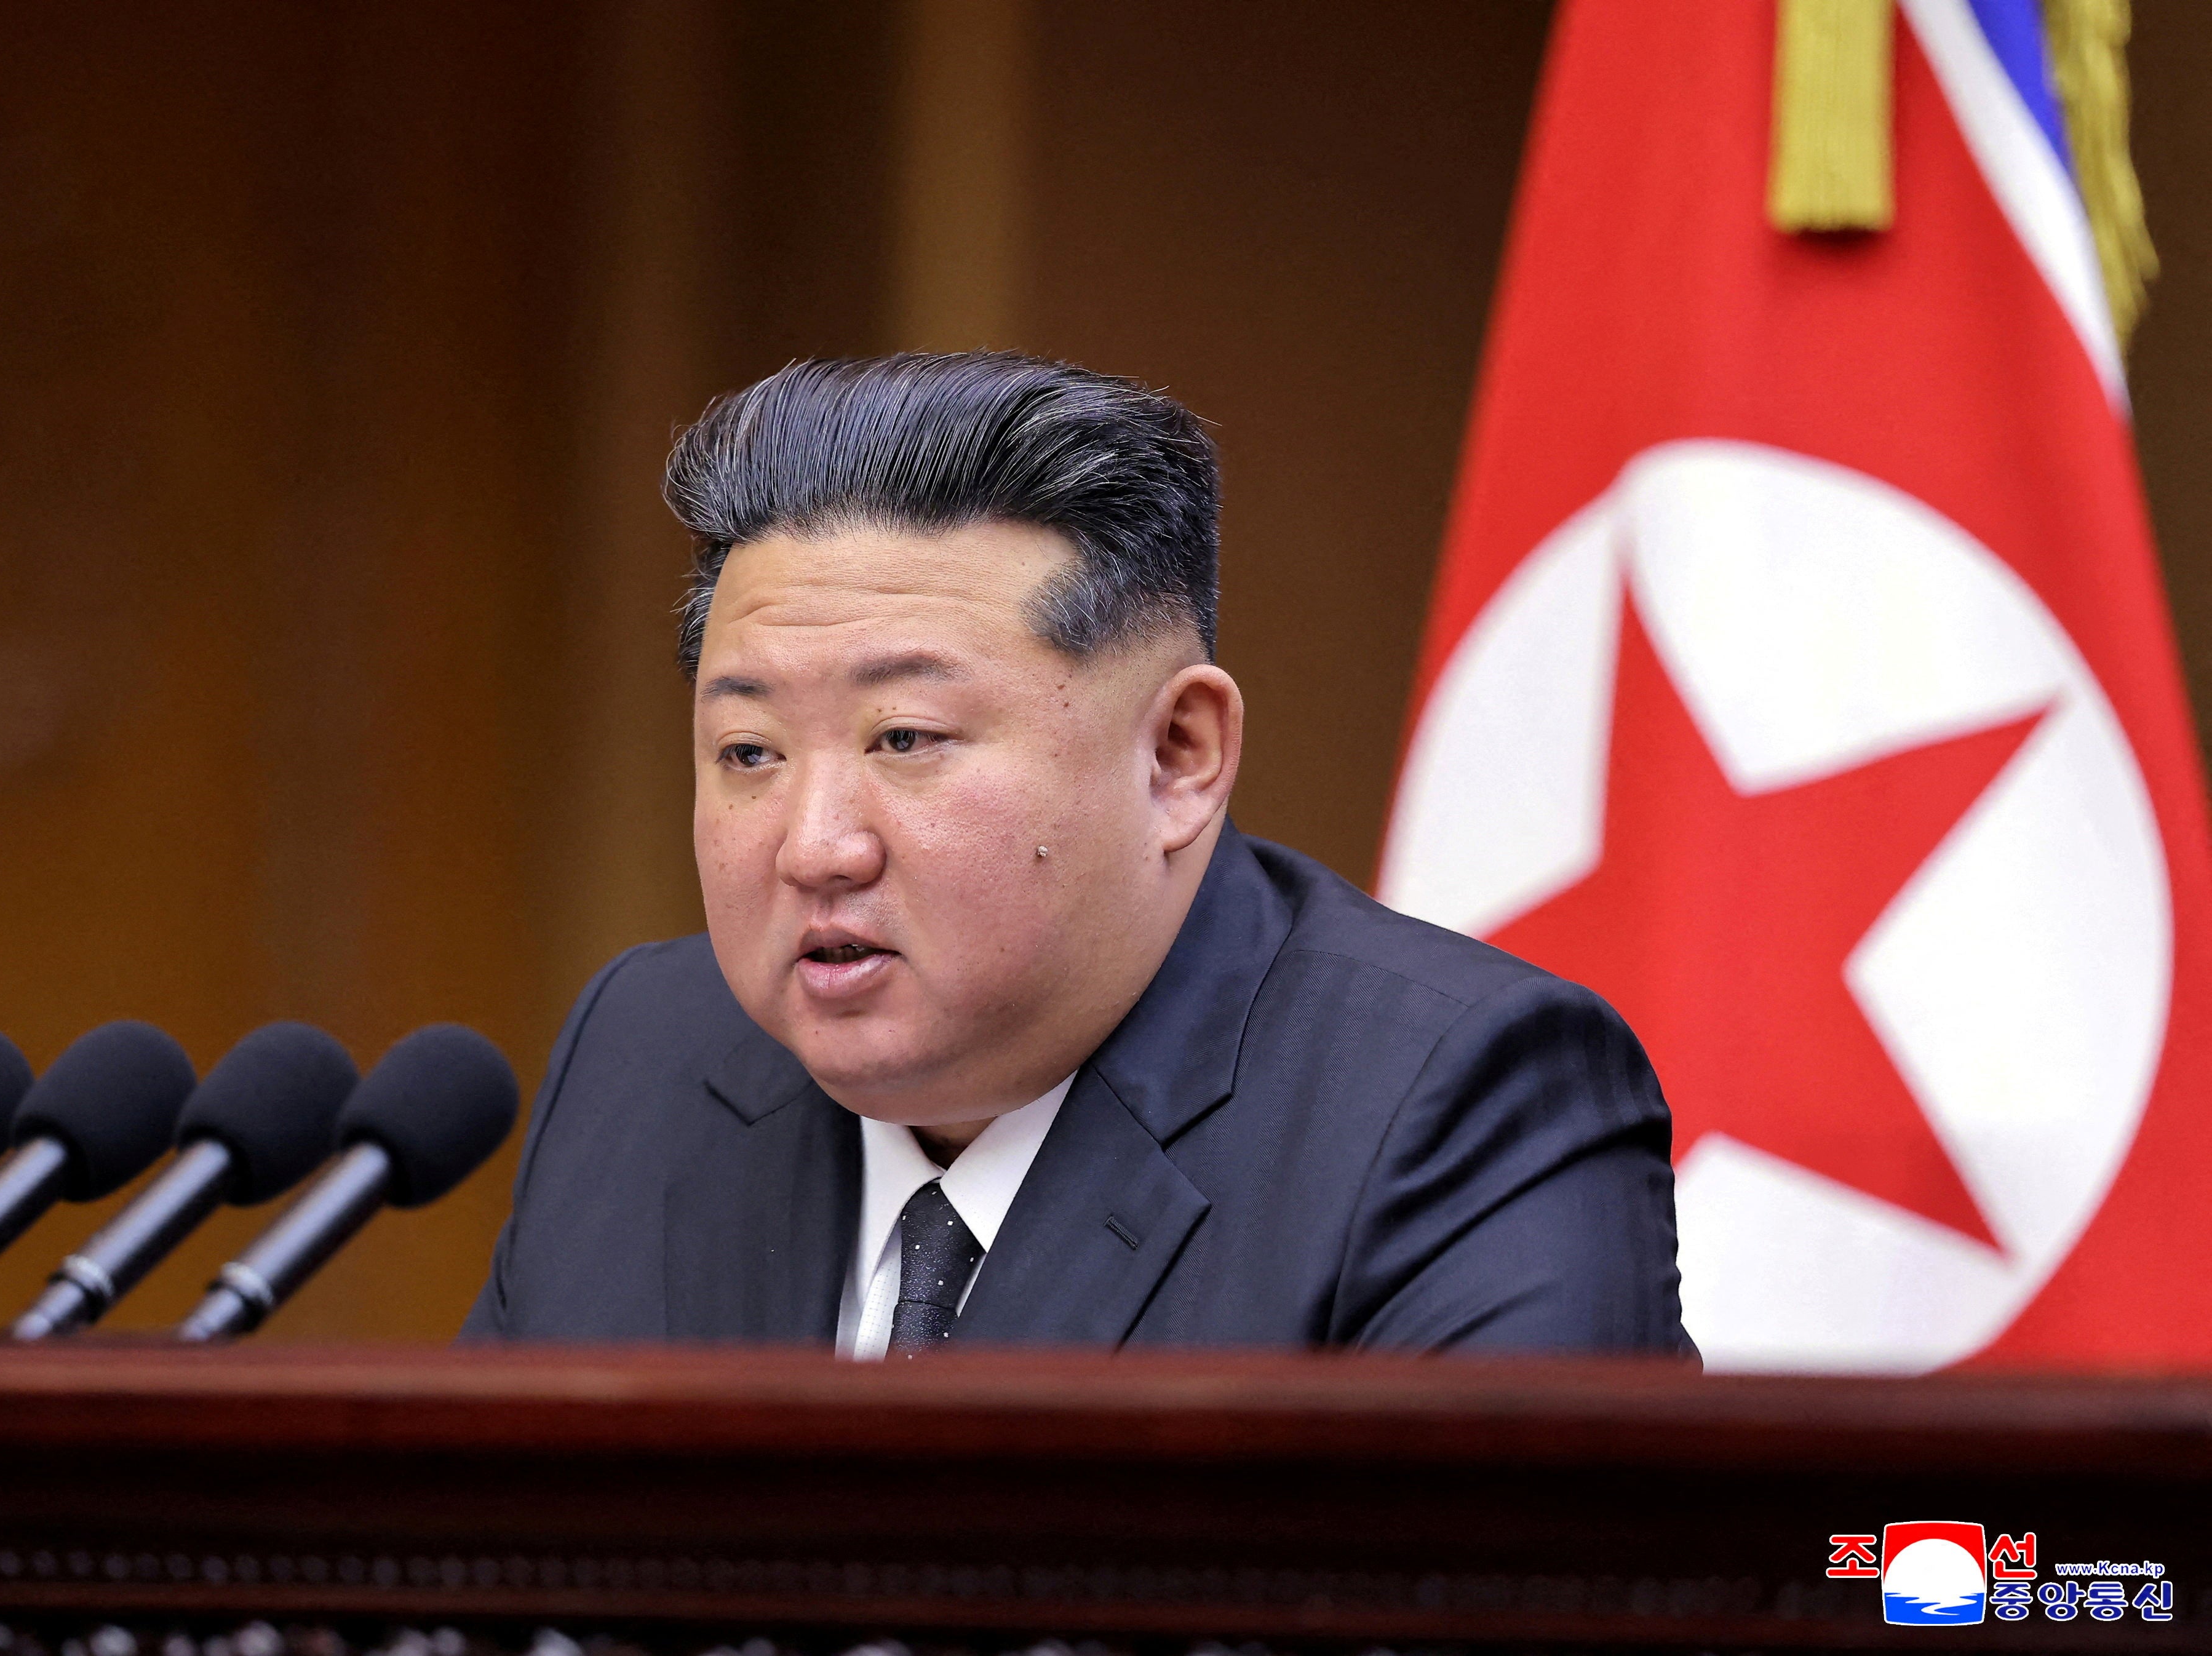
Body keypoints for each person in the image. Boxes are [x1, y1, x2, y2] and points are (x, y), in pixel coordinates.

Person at [464, 351, 1692, 1356]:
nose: (816, 846)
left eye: (906, 738)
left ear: (1179, 755)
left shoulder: (1450, 1106)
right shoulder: (647, 1056)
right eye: (749, 752)